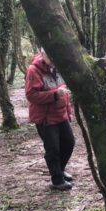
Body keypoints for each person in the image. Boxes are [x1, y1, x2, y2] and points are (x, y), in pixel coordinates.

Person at [25, 48, 75, 191]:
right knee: (53, 149)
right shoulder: (34, 70)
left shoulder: (58, 67)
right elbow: (31, 95)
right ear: (43, 54)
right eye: (50, 56)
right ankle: (57, 180)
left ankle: (60, 169)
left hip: (61, 115)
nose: (53, 59)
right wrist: (54, 94)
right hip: (45, 117)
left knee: (69, 143)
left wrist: (68, 111)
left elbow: (64, 92)